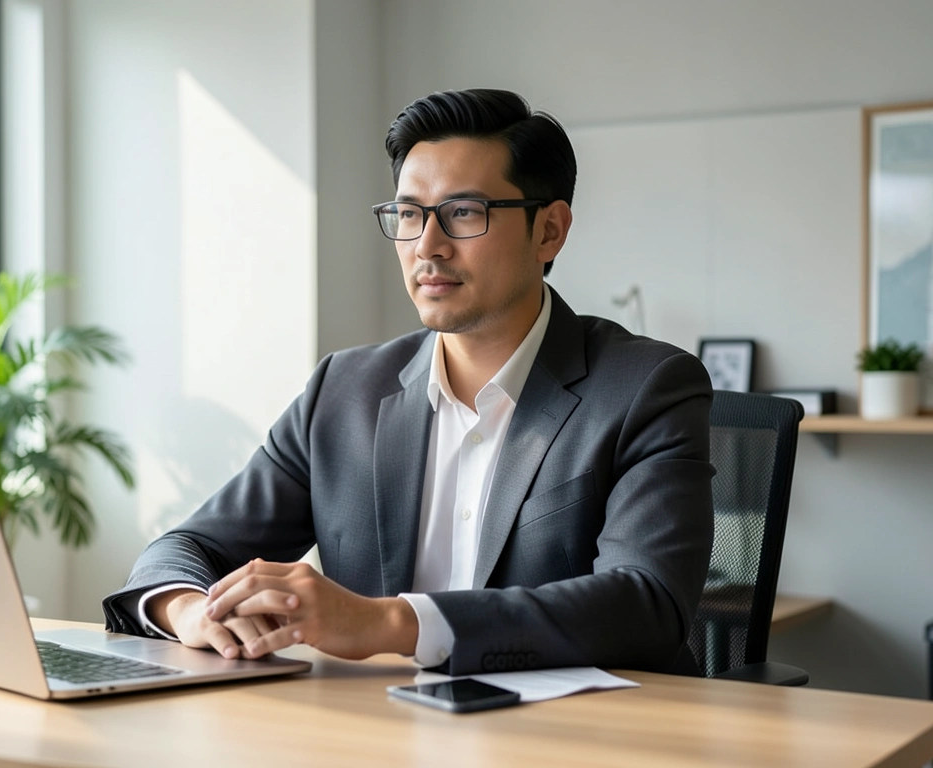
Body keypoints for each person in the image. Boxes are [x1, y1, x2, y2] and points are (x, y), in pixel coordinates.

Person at [103, 88, 714, 676]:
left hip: (578, 737)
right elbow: (187, 550)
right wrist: (188, 611)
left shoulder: (647, 388)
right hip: (380, 732)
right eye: (408, 214)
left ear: (549, 230)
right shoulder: (343, 392)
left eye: (464, 213)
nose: (428, 246)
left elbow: (647, 602)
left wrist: (390, 624)